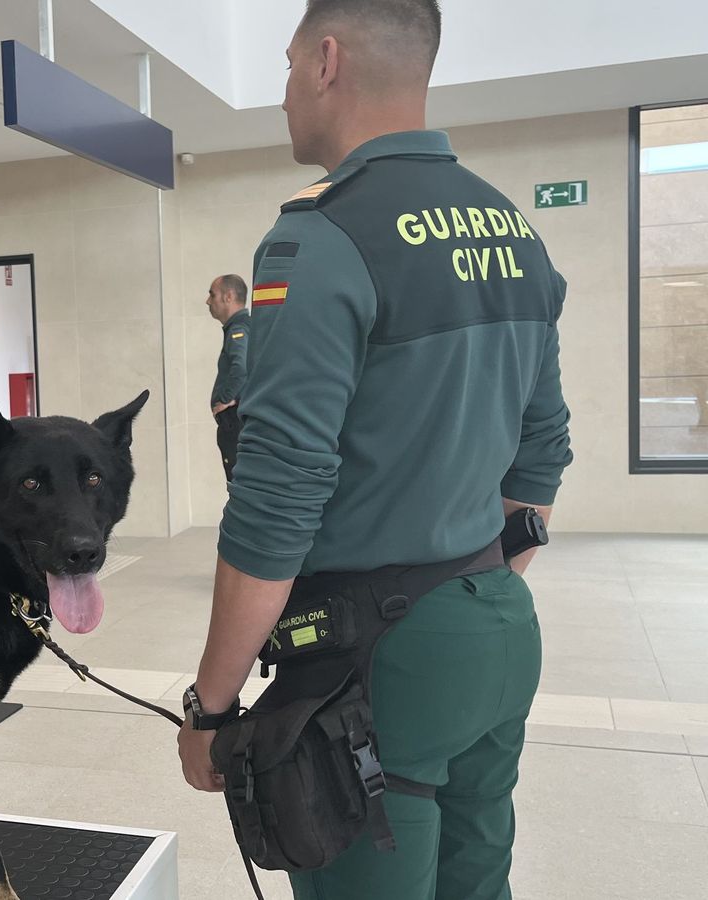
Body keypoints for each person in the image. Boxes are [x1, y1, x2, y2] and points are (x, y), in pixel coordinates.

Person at [176, 3, 572, 899]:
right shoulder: (511, 227)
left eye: (283, 68)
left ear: (326, 62)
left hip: (376, 664)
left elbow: (278, 495)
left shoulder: (317, 239)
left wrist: (211, 706)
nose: (280, 95)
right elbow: (541, 449)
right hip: (498, 630)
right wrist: (475, 589)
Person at [205, 275, 250, 482]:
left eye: (212, 294)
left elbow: (240, 368)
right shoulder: (241, 328)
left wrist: (225, 398)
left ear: (228, 296)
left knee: (237, 482)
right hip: (235, 422)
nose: (208, 301)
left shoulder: (238, 331)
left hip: (234, 422)